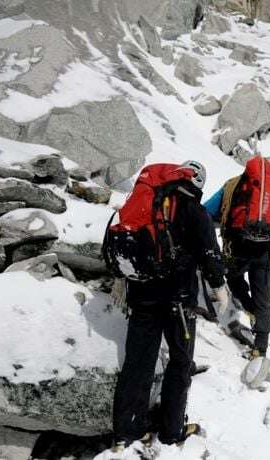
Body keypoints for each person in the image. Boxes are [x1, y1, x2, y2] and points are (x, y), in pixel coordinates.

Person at [106, 161, 227, 449]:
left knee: (138, 364)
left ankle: (126, 432)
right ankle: (172, 431)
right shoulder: (193, 210)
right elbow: (210, 253)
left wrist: (121, 277)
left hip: (143, 296)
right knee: (180, 363)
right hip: (179, 302)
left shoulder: (146, 200)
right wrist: (219, 287)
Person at [204, 155, 270, 359]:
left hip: (237, 248)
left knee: (233, 278)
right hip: (265, 252)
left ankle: (246, 305)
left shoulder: (233, 185)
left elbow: (207, 211)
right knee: (263, 299)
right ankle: (260, 348)